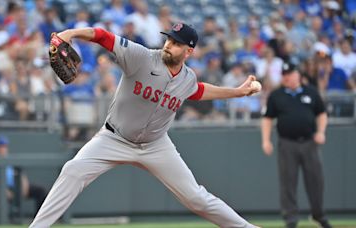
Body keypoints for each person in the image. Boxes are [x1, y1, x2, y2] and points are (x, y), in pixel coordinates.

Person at [29, 23, 261, 228]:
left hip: (155, 146)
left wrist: (238, 92)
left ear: (189, 51)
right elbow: (101, 35)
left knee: (196, 198)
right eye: (169, 39)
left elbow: (199, 90)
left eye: (177, 43)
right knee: (72, 170)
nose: (169, 44)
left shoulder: (187, 79)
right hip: (114, 138)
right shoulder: (141, 57)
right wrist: (69, 33)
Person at [261, 62, 331, 228]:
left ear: (298, 75)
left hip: (309, 142)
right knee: (288, 183)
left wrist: (321, 132)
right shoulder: (277, 95)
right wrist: (266, 140)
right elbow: (267, 118)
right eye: (284, 74)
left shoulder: (310, 92)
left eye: (290, 73)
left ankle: (318, 214)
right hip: (287, 143)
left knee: (316, 181)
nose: (287, 77)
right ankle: (291, 219)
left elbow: (321, 113)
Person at [0, 135, 46, 214]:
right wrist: (4, 190)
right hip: (2, 189)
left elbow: (20, 172)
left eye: (5, 146)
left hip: (16, 187)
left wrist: (25, 186)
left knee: (40, 191)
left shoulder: (8, 158)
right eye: (1, 146)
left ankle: (38, 219)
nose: (3, 149)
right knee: (0, 193)